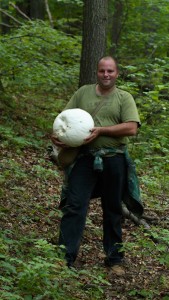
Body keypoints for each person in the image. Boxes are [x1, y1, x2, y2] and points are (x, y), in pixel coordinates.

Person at [51, 56, 141, 274]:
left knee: (112, 209)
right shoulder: (83, 93)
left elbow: (131, 128)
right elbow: (64, 118)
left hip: (114, 160)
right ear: (97, 73)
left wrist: (102, 130)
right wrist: (58, 136)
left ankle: (115, 259)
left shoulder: (124, 98)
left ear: (117, 73)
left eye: (110, 71)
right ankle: (65, 256)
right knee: (74, 205)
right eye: (102, 71)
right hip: (84, 159)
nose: (106, 75)